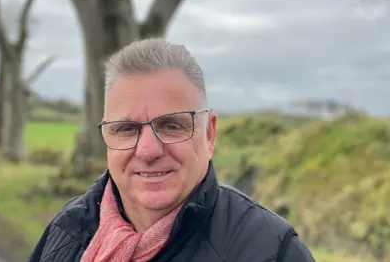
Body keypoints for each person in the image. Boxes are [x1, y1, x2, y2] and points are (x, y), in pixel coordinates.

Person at [28, 38, 316, 262]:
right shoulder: (69, 227)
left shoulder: (271, 250)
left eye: (171, 126)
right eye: (126, 128)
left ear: (209, 134)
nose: (148, 151)